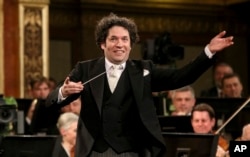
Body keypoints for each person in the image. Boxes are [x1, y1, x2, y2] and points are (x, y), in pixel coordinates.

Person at [46, 13, 234, 157]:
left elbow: (181, 77)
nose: (120, 44)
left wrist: (208, 52)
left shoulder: (144, 70)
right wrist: (63, 91)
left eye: (125, 39)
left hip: (134, 151)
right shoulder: (85, 69)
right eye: (113, 39)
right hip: (96, 152)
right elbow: (52, 101)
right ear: (102, 43)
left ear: (130, 44)